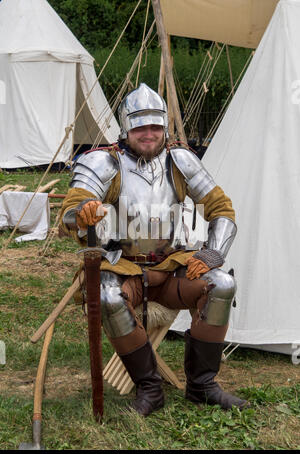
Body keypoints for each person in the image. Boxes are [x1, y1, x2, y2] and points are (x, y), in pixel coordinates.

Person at [59, 83, 248, 417]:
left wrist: (212, 253)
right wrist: (85, 211)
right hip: (124, 267)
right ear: (126, 127)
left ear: (164, 127)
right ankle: (149, 388)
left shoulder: (181, 161)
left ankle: (202, 385)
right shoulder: (105, 163)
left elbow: (221, 209)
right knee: (107, 296)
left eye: (155, 125)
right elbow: (72, 209)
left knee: (222, 284)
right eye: (140, 126)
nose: (148, 133)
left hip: (172, 267)